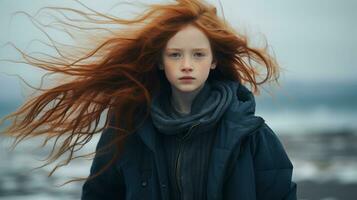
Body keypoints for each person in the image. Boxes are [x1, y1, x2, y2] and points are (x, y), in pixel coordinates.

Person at [1, 0, 297, 199]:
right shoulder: (128, 130)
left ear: (214, 61)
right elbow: (99, 195)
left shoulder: (251, 134)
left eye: (198, 54)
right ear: (159, 61)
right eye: (175, 54)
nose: (186, 65)